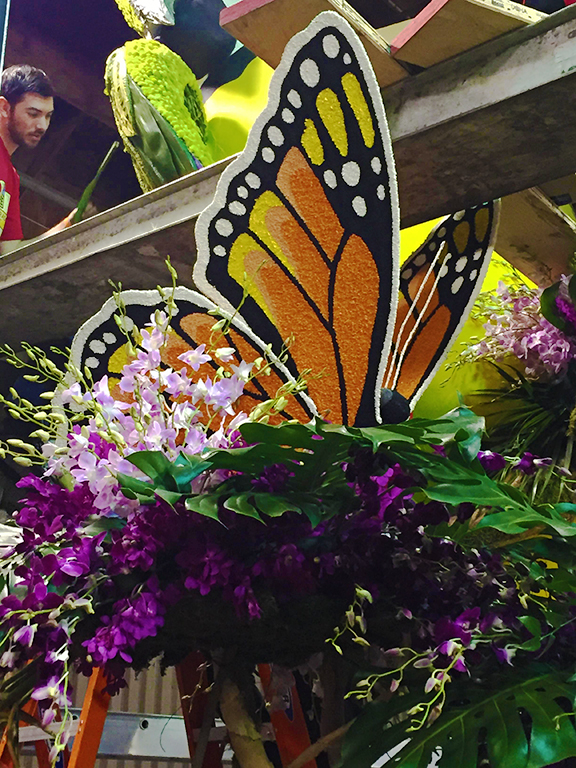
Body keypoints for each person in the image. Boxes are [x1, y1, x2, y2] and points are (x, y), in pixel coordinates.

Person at [0, 64, 75, 255]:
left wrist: (66, 226)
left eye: (48, 116)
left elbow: (10, 253)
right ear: (4, 108)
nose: (42, 126)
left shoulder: (11, 178)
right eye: (33, 114)